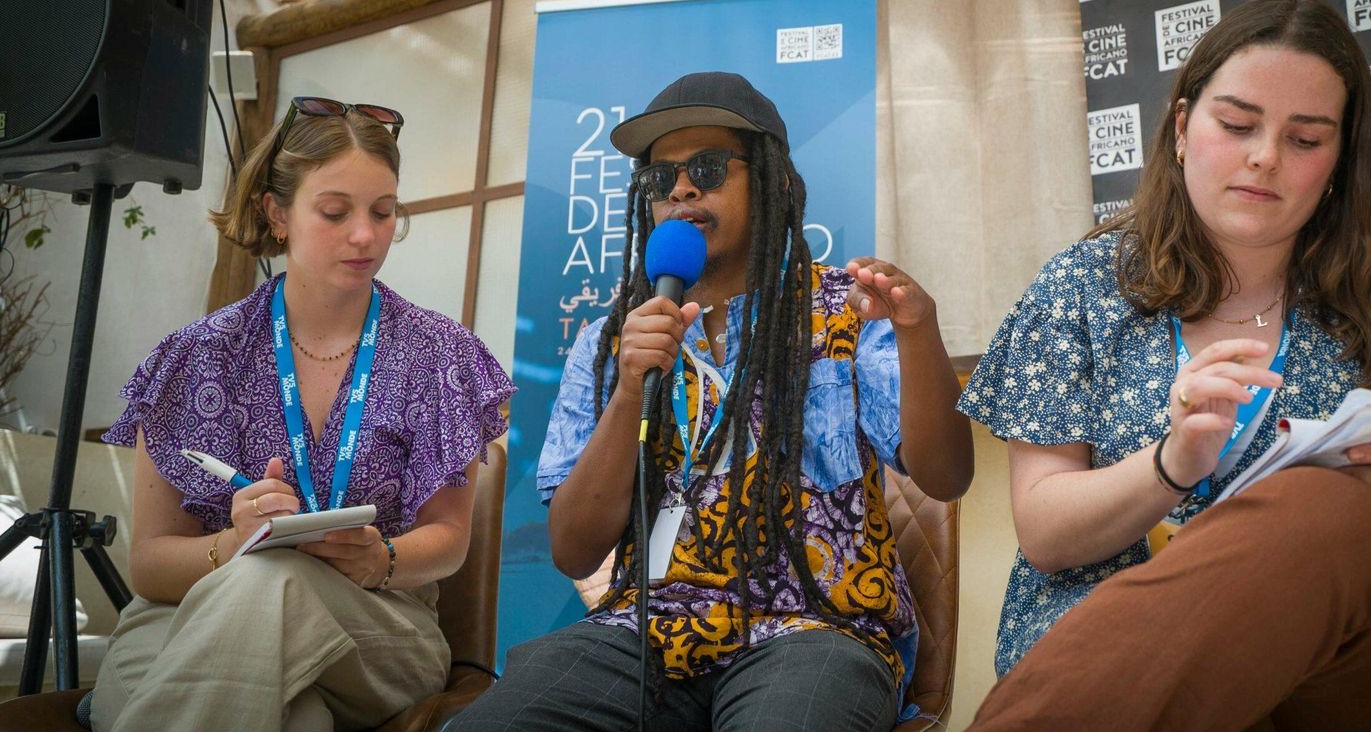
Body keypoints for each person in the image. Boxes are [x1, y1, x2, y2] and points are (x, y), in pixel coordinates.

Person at [959, 0, 1371, 731]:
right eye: (1236, 125)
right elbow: (1046, 535)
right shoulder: (1081, 288)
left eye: (1304, 140)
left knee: (1327, 509)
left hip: (1366, 672)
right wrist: (1171, 463)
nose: (1264, 156)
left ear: (1339, 164)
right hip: (1123, 668)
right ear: (1180, 129)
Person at [452, 71, 974, 731]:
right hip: (646, 629)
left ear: (773, 181)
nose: (681, 188)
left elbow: (947, 475)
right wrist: (630, 389)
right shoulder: (611, 340)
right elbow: (575, 552)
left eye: (706, 167)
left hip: (816, 628)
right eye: (658, 179)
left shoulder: (849, 307)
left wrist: (916, 330)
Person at [90, 97, 515, 731]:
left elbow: (450, 539)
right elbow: (151, 565)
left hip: (378, 627)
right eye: (335, 212)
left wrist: (383, 560)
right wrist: (236, 545)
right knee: (296, 714)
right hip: (184, 618)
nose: (366, 235)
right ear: (277, 213)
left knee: (276, 583)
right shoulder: (196, 355)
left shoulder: (440, 354)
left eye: (383, 212)